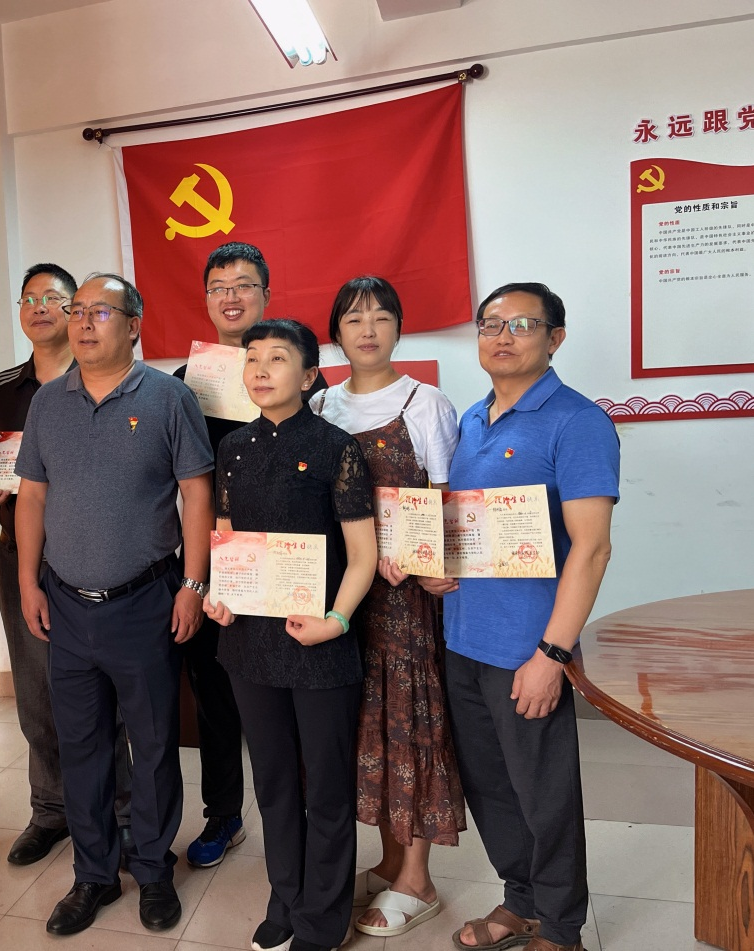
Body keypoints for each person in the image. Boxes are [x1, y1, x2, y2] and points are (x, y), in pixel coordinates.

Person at [15, 273, 214, 935]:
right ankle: (94, 874)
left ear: (133, 325)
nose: (82, 322)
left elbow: (196, 492)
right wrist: (27, 581)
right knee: (83, 747)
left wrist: (192, 584)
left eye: (99, 311)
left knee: (153, 745)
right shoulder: (48, 402)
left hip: (145, 600)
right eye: (77, 310)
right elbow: (32, 495)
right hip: (66, 604)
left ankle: (153, 869)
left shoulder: (168, 397)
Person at [425, 284, 618, 951]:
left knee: (544, 793)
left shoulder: (577, 421)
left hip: (528, 648)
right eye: (489, 325)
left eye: (522, 324)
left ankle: (562, 928)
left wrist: (553, 654)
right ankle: (522, 900)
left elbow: (591, 549)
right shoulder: (472, 419)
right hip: (462, 640)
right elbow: (469, 525)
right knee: (492, 787)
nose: (501, 337)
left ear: (555, 337)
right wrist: (438, 564)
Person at [204, 319, 378, 951]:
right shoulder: (234, 447)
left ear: (308, 377)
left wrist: (336, 621)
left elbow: (362, 555)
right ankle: (286, 897)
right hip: (249, 644)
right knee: (274, 782)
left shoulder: (336, 448)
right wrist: (221, 595)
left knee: (326, 787)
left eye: (277, 358)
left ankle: (323, 919)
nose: (260, 369)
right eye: (252, 358)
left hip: (320, 643)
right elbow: (229, 540)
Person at [309, 276, 466, 938]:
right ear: (336, 334)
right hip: (341, 595)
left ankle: (418, 879)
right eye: (353, 318)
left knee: (410, 724)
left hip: (404, 602)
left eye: (380, 317)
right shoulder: (320, 405)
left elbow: (446, 498)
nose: (367, 329)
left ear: (399, 328)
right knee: (362, 725)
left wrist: (431, 562)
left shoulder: (426, 403)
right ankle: (388, 858)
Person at [171, 242, 328, 869]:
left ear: (266, 294)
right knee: (215, 697)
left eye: (243, 285)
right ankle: (224, 816)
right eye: (218, 287)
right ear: (207, 300)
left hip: (292, 567)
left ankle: (303, 824)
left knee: (294, 702)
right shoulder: (186, 383)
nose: (230, 296)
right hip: (219, 565)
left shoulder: (301, 375)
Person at [0, 264, 135, 868]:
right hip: (23, 554)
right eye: (29, 298)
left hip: (91, 555)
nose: (40, 307)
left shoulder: (104, 377)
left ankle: (121, 813)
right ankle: (51, 808)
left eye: (55, 299)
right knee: (36, 691)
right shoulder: (1, 390)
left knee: (104, 693)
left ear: (78, 312)